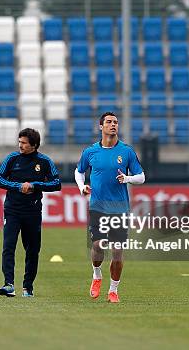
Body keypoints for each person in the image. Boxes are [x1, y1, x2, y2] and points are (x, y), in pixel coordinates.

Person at [75, 112, 145, 303]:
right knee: (98, 246)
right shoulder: (90, 152)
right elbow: (79, 172)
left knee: (117, 251)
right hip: (98, 206)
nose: (113, 125)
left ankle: (113, 290)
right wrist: (82, 187)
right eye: (109, 122)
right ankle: (97, 275)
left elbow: (141, 177)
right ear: (101, 127)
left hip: (119, 208)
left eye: (115, 122)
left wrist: (128, 178)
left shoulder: (127, 151)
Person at [0, 128, 61, 297]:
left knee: (32, 250)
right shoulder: (12, 158)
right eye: (19, 142)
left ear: (34, 145)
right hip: (12, 210)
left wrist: (35, 185)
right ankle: (8, 284)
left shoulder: (44, 161)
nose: (20, 145)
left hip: (32, 211)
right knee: (8, 246)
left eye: (24, 143)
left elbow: (56, 183)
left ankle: (27, 286)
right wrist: (17, 186)